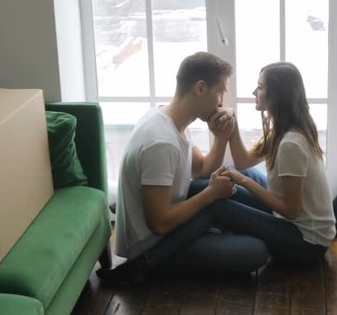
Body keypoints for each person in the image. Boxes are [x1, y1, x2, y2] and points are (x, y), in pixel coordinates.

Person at [97, 52, 269, 284]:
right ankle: (151, 264)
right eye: (220, 92)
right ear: (200, 88)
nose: (221, 102)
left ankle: (216, 229)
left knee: (237, 178)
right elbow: (159, 223)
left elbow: (204, 169)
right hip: (155, 243)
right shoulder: (161, 142)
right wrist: (210, 194)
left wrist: (221, 137)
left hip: (174, 224)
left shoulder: (171, 120)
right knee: (256, 251)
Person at [210, 61, 337, 264]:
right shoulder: (285, 129)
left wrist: (242, 181)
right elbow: (243, 161)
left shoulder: (291, 143)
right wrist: (233, 122)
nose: (254, 91)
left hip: (306, 244)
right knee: (234, 174)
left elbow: (290, 210)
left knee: (219, 205)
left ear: (277, 95)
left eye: (260, 87)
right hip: (294, 226)